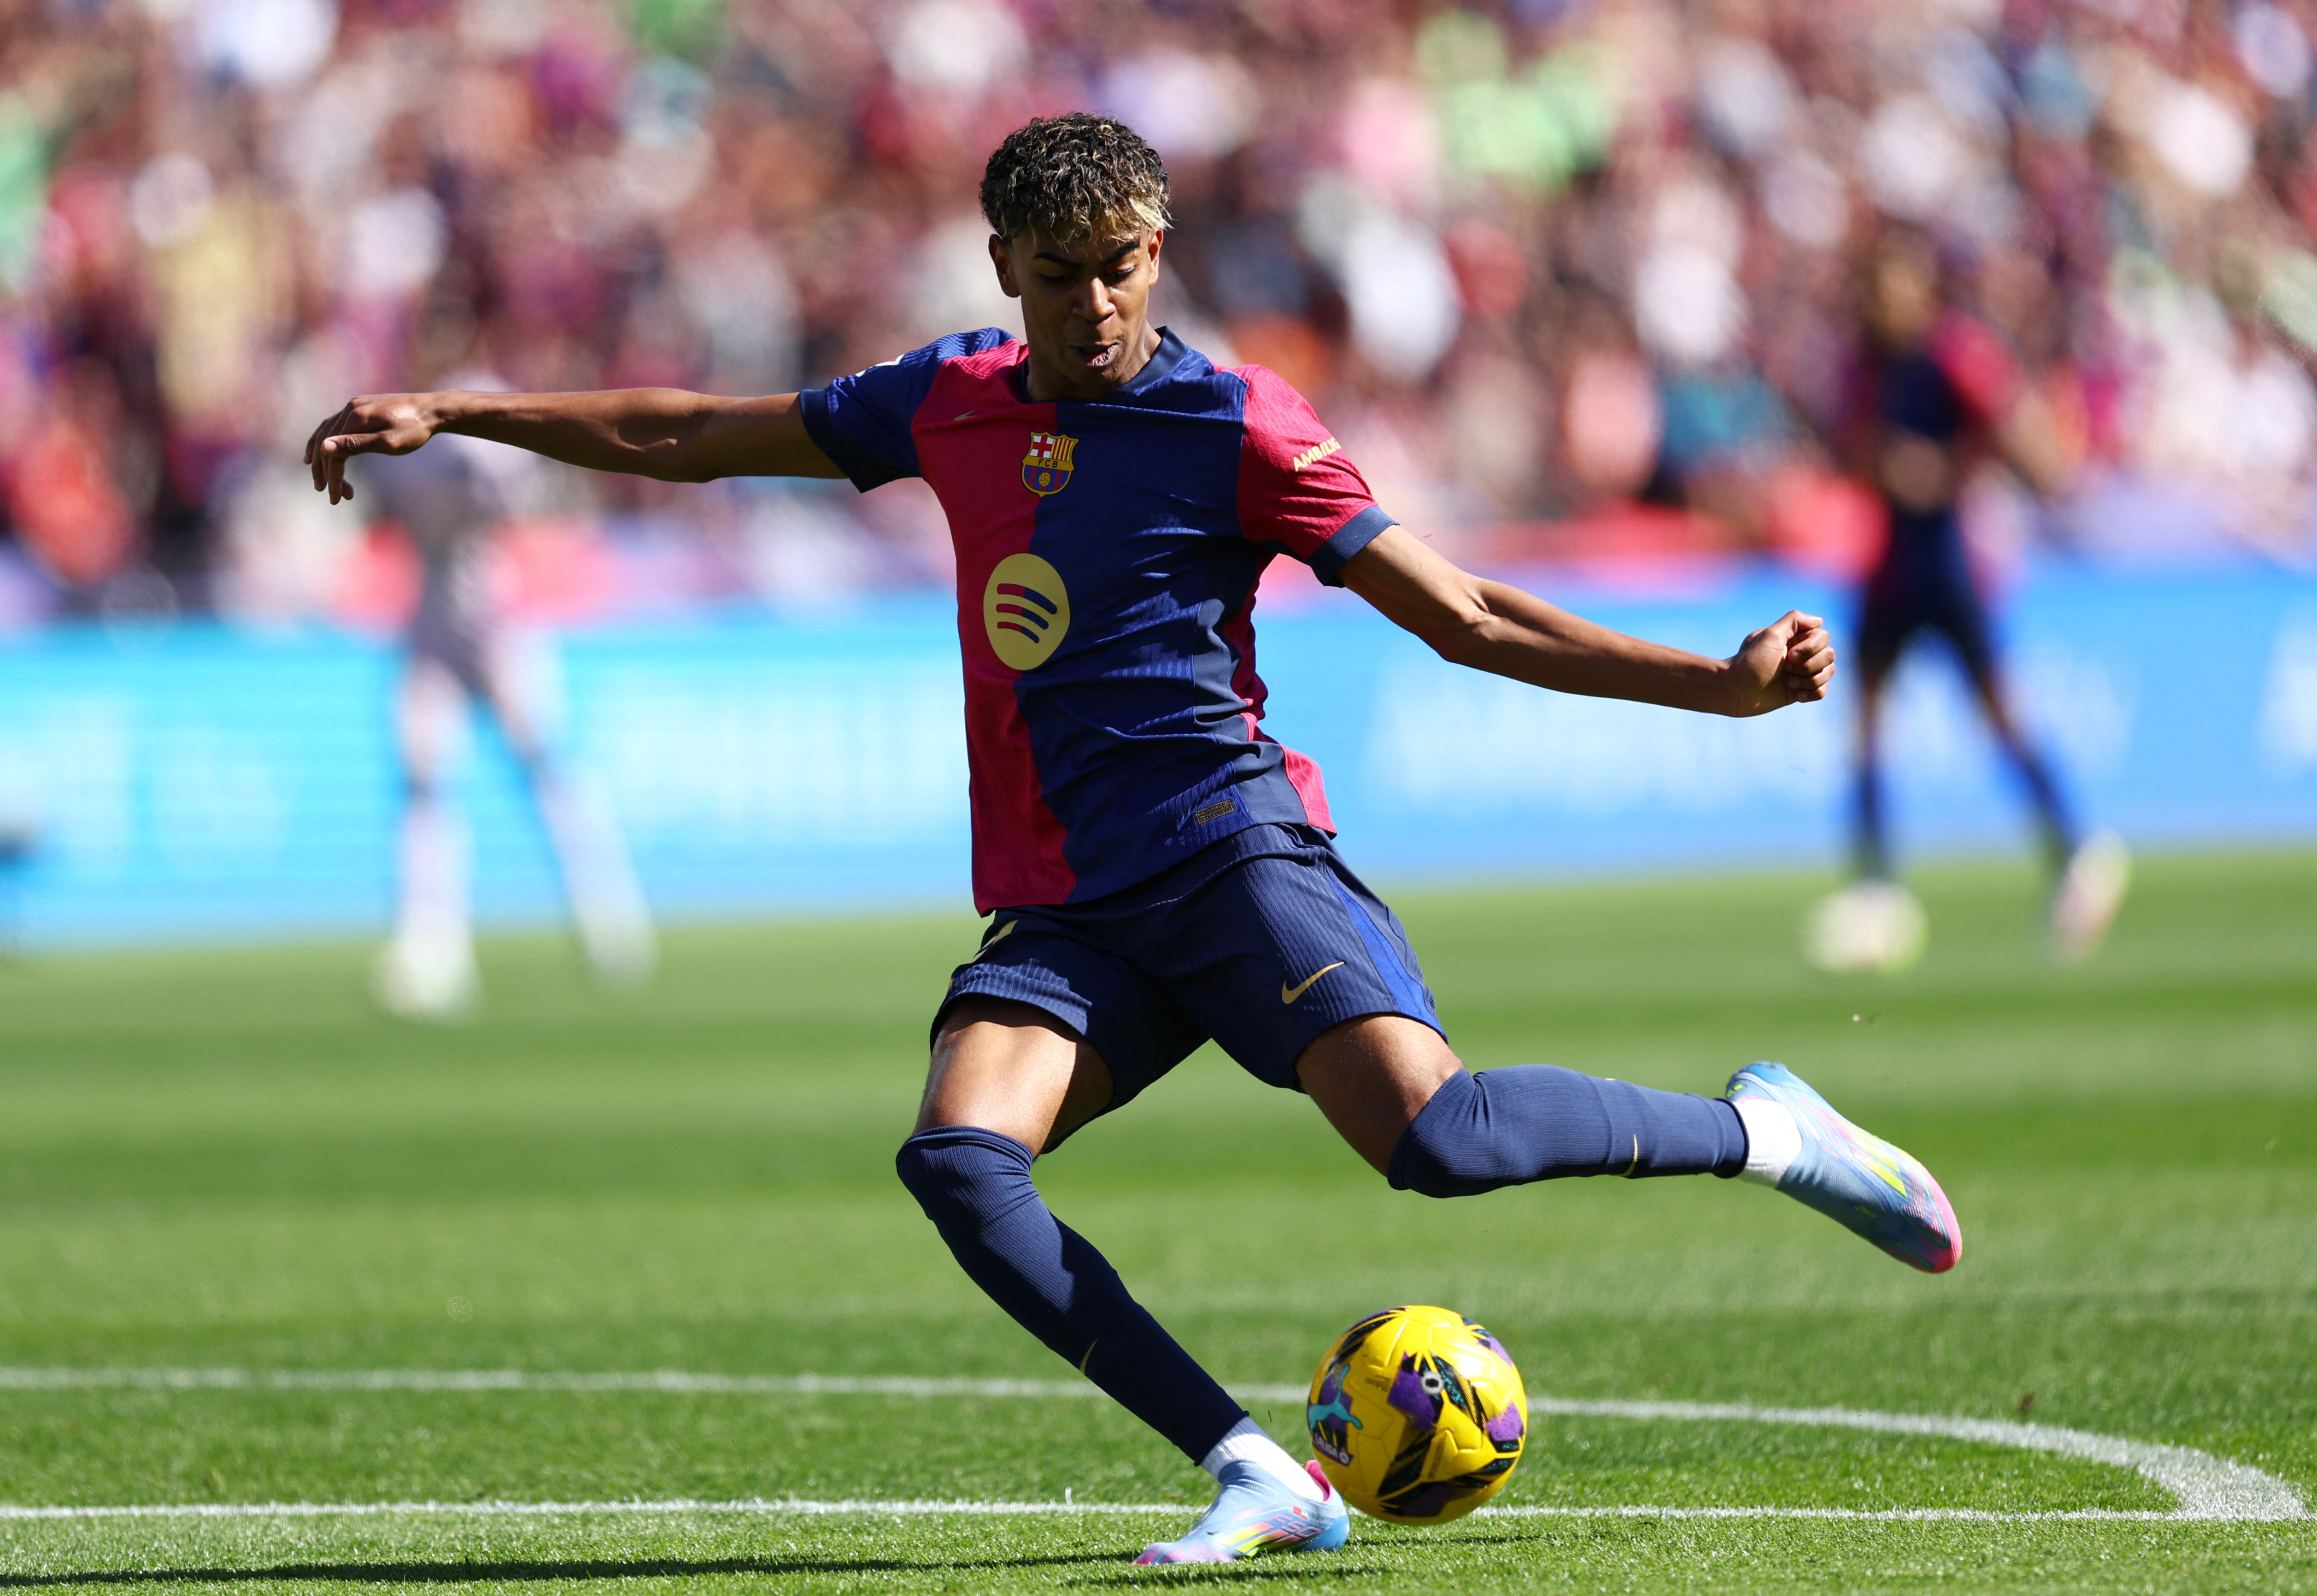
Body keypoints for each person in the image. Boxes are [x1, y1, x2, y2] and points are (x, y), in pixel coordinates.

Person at [306, 114, 1960, 1566]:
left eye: (1113, 266)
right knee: (959, 1160)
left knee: (1436, 1144)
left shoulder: (1235, 424)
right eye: (1052, 274)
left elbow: (1457, 614)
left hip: (1233, 852)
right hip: (1071, 906)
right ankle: (1256, 1467)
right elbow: (690, 434)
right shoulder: (943, 401)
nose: (1087, 304)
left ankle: (1765, 1129)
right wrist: (455, 411)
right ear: (1000, 265)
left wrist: (1717, 690)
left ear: (1154, 251)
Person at [1805, 230, 2128, 973]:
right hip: (1892, 563)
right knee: (1864, 723)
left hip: (1948, 560)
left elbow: (2016, 435)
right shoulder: (1862, 365)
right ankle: (1877, 887)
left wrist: (1946, 472)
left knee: (1996, 713)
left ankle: (2076, 849)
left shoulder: (1954, 355)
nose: (1888, 304)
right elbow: (1855, 449)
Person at [356, 402, 655, 1017]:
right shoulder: (394, 438)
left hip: (499, 624)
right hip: (435, 625)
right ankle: (433, 940)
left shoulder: (478, 427)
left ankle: (607, 911)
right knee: (423, 782)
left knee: (545, 771)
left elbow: (529, 497)